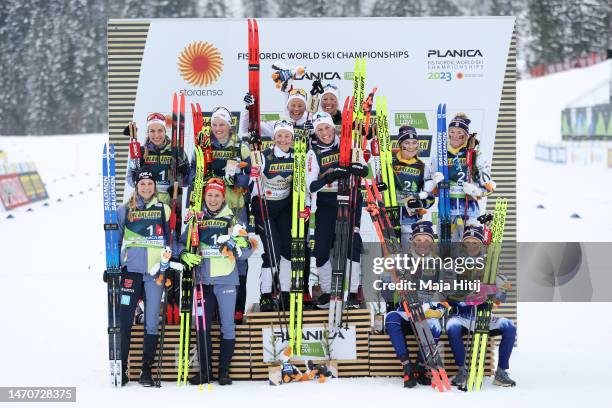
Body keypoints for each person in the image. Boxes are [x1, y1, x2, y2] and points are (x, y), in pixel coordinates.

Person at [179, 178, 255, 386]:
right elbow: (180, 243)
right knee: (202, 326)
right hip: (202, 280)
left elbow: (247, 249)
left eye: (217, 195)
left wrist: (239, 247)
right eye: (210, 195)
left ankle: (223, 372)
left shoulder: (233, 219)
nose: (213, 199)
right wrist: (184, 254)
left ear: (223, 197)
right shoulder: (197, 219)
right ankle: (205, 372)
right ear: (205, 196)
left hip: (226, 281)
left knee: (227, 326)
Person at [305, 111, 368, 308]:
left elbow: (365, 170)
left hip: (349, 200)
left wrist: (357, 169)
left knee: (351, 245)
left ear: (334, 127)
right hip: (325, 203)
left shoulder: (349, 145)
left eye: (327, 127)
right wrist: (329, 177)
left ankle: (351, 292)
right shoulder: (312, 153)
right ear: (315, 132)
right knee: (322, 247)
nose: (324, 133)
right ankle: (326, 291)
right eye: (319, 130)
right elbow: (311, 186)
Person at [116, 170, 173, 387]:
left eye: (150, 184)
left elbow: (171, 238)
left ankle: (146, 370)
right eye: (143, 184)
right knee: (125, 320)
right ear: (136, 186)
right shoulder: (125, 209)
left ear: (154, 186)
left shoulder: (163, 209)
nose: (146, 188)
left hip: (155, 273)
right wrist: (113, 267)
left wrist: (172, 259)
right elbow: (115, 240)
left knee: (151, 322)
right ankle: (122, 368)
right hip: (131, 272)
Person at [446, 225, 517, 387]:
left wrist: (494, 290)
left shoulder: (490, 266)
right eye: (467, 243)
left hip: (484, 315)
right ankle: (462, 370)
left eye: (475, 242)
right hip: (462, 316)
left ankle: (501, 372)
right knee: (452, 326)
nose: (471, 246)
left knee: (509, 325)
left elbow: (502, 295)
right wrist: (464, 298)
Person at [200, 106, 251, 322]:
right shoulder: (204, 145)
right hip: (210, 209)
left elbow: (249, 176)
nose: (218, 128)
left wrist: (236, 178)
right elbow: (195, 174)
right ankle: (213, 308)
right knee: (211, 253)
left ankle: (237, 307)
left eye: (222, 124)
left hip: (235, 210)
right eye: (214, 124)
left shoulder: (241, 146)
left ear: (229, 125)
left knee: (238, 256)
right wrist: (205, 177)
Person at [384, 221, 447, 388]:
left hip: (426, 312)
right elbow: (391, 287)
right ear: (412, 241)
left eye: (426, 240)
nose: (422, 244)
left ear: (432, 242)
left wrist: (438, 310)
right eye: (418, 240)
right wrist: (393, 275)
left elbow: (443, 294)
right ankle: (407, 367)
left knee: (435, 327)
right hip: (407, 310)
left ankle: (420, 365)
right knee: (391, 318)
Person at [250, 120, 295, 312]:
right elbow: (252, 181)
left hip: (284, 208)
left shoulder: (297, 157)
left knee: (287, 251)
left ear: (292, 139)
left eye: (287, 136)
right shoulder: (264, 156)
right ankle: (266, 293)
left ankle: (285, 292)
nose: (283, 139)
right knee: (272, 252)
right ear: (274, 138)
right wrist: (254, 171)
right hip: (264, 207)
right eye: (280, 136)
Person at [433, 113, 495, 241]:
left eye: (459, 132)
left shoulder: (475, 155)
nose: (455, 136)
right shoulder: (439, 156)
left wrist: (476, 191)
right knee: (447, 251)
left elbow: (489, 188)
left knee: (471, 249)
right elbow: (430, 189)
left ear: (466, 135)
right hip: (446, 211)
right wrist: (435, 184)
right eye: (452, 131)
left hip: (470, 210)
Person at [125, 113, 190, 205]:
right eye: (152, 131)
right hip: (146, 204)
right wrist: (136, 175)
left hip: (170, 204)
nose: (156, 135)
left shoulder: (177, 151)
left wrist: (183, 171)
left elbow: (187, 182)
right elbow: (130, 180)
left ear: (165, 131)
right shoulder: (141, 152)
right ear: (147, 132)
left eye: (160, 130)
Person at [391, 125, 436, 246]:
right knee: (391, 260)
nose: (411, 146)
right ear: (400, 145)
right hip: (390, 219)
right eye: (407, 142)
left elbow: (430, 197)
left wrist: (420, 203)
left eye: (414, 142)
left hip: (411, 221)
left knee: (408, 260)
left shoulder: (422, 167)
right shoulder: (390, 164)